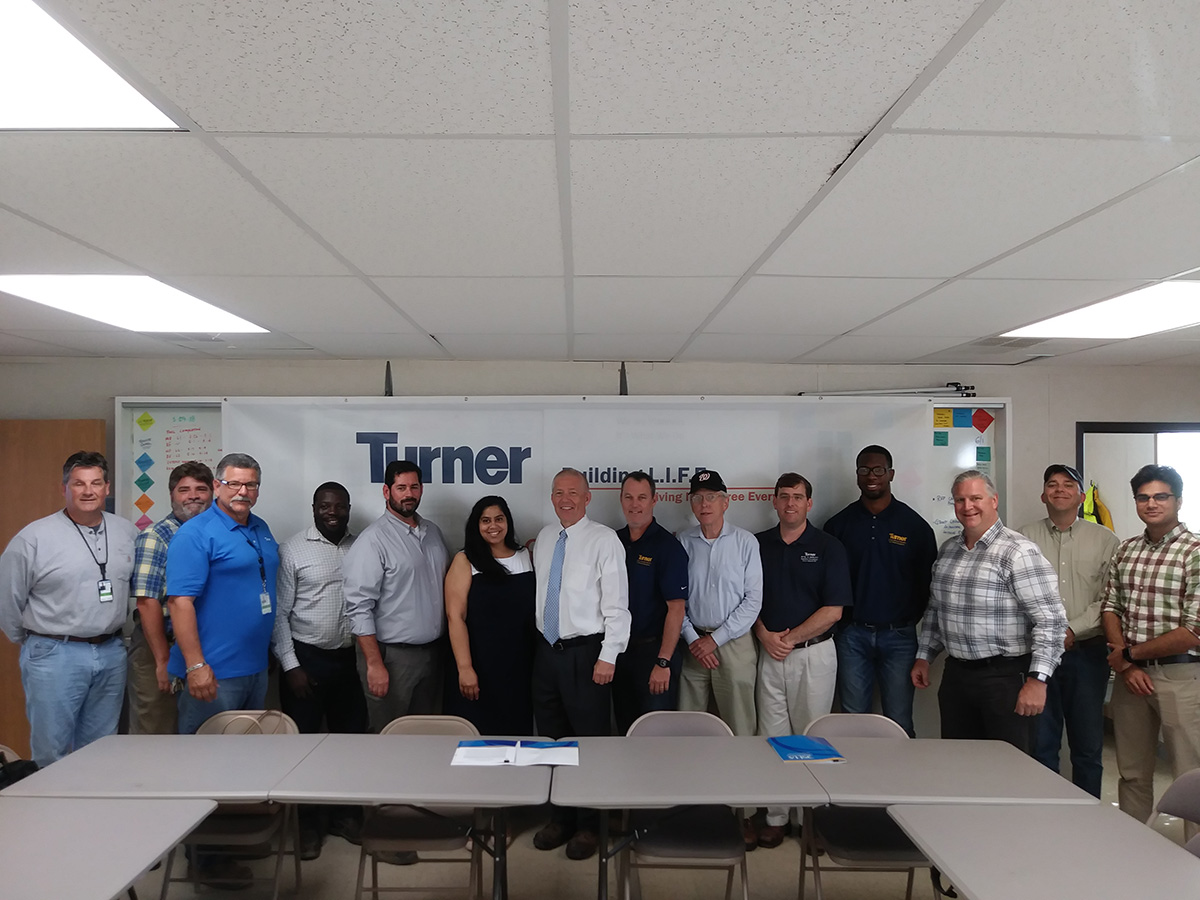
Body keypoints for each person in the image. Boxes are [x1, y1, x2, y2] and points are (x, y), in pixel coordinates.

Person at [912, 470, 1066, 755]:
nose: (967, 506)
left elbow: (1051, 621)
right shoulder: (948, 552)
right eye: (960, 500)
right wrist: (925, 656)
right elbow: (936, 610)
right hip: (957, 677)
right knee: (961, 765)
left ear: (994, 501)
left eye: (975, 498)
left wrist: (1037, 680)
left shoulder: (1018, 551)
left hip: (1006, 679)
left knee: (1010, 771)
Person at [0, 451, 137, 768]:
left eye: (96, 483)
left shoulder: (127, 533)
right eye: (78, 484)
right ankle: (51, 816)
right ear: (64, 488)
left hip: (112, 651)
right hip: (54, 653)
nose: (88, 491)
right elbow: (8, 599)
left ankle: (92, 814)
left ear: (107, 488)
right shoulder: (34, 538)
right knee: (51, 752)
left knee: (101, 749)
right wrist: (36, 640)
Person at [531, 468, 630, 861]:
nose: (565, 499)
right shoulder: (544, 538)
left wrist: (609, 655)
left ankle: (590, 825)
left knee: (588, 742)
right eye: (558, 492)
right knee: (551, 737)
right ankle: (561, 818)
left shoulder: (604, 540)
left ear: (588, 497)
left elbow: (617, 605)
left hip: (587, 654)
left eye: (573, 492)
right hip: (546, 652)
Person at [753, 473, 852, 848]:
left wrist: (791, 639)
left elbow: (834, 610)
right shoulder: (758, 545)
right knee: (774, 739)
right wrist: (764, 635)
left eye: (798, 497)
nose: (790, 503)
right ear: (774, 502)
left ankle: (810, 819)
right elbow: (748, 598)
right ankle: (777, 818)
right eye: (784, 497)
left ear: (809, 504)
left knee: (812, 738)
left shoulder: (828, 546)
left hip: (813, 654)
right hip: (769, 651)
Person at [1101, 464, 1200, 837]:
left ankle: (1195, 862)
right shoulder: (1126, 550)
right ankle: (1133, 851)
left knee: (1191, 776)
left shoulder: (1195, 551)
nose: (1151, 503)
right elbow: (1111, 607)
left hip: (1181, 676)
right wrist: (1127, 665)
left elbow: (1194, 630)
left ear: (1177, 500)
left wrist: (1129, 656)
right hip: (1131, 678)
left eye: (1161, 496)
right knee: (1132, 773)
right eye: (1143, 497)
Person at [273, 482, 367, 858]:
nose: (333, 512)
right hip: (305, 660)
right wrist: (291, 666)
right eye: (326, 506)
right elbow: (279, 613)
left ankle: (345, 816)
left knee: (350, 745)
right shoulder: (292, 550)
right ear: (314, 507)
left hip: (348, 662)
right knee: (304, 749)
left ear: (348, 508)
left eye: (340, 506)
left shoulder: (362, 546)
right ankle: (307, 824)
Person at [1018, 464, 1118, 798]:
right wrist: (1049, 634)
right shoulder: (1023, 538)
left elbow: (1108, 597)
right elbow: (1014, 593)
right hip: (1037, 657)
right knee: (1041, 745)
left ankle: (1089, 819)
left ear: (1081, 495)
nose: (1059, 489)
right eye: (1052, 484)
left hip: (1086, 656)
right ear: (1043, 495)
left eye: (1067, 484)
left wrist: (1072, 630)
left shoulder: (1105, 540)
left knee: (1087, 748)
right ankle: (1045, 816)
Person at [824, 445, 936, 737]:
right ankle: (855, 781)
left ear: (891, 474)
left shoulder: (914, 526)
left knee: (898, 722)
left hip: (899, 637)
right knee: (852, 721)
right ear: (857, 476)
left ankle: (899, 782)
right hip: (851, 636)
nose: (871, 476)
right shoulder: (838, 525)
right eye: (864, 470)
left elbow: (927, 583)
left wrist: (907, 618)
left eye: (878, 470)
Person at [677, 468, 763, 849]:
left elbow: (753, 601)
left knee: (740, 730)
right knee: (688, 730)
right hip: (692, 642)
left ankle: (742, 815)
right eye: (698, 498)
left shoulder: (745, 543)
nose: (704, 504)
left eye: (712, 497)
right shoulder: (681, 541)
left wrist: (717, 640)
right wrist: (696, 639)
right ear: (691, 504)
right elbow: (674, 599)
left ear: (727, 502)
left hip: (735, 644)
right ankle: (691, 810)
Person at [167, 452, 280, 734]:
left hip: (255, 668)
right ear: (217, 487)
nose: (243, 491)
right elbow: (180, 603)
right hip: (213, 672)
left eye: (251, 485)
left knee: (247, 760)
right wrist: (195, 666)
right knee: (205, 763)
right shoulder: (195, 533)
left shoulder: (260, 527)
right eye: (234, 484)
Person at [343, 459, 449, 733]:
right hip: (392, 658)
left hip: (433, 655)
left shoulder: (433, 534)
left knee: (428, 736)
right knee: (388, 737)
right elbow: (359, 608)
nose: (409, 494)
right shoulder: (373, 541)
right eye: (401, 487)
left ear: (422, 489)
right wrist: (374, 663)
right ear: (386, 491)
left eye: (414, 487)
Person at [128, 460, 214, 736]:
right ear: (172, 495)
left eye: (201, 489)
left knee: (201, 730)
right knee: (158, 730)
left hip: (201, 645)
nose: (193, 496)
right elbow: (147, 602)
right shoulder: (156, 536)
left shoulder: (216, 534)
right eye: (184, 490)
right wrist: (163, 660)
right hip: (160, 644)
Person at [444, 495, 536, 734]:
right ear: (476, 525)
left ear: (508, 522)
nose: (493, 526)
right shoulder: (465, 560)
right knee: (477, 740)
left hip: (520, 669)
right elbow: (456, 617)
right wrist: (465, 668)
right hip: (479, 667)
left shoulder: (525, 557)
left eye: (499, 519)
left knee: (517, 736)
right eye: (485, 521)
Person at [612, 471, 688, 736]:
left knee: (655, 737)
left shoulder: (668, 546)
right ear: (621, 500)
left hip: (654, 655)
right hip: (619, 654)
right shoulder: (613, 542)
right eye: (629, 497)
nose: (635, 504)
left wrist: (663, 662)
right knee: (623, 732)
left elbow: (676, 609)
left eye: (642, 497)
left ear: (654, 500)